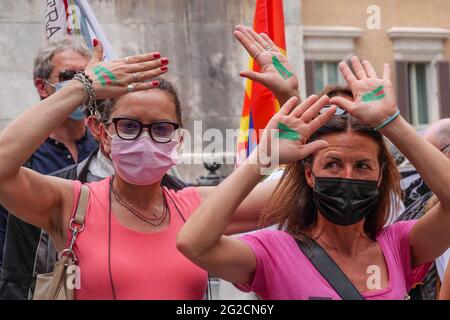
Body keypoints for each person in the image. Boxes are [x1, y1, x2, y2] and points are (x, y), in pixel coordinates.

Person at [0, 23, 300, 299]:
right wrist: (80, 89)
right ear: (104, 135)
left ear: (178, 140)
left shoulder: (196, 209)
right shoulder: (71, 202)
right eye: (129, 126)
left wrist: (289, 97)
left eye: (160, 128)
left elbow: (301, 193)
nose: (144, 139)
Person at [177, 55, 450, 300]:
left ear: (380, 177)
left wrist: (391, 121)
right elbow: (194, 244)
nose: (347, 175)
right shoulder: (272, 252)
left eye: (363, 166)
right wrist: (262, 158)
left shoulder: (399, 245)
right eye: (332, 164)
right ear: (309, 174)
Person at [0, 35, 98, 299]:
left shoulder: (105, 147)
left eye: (87, 75)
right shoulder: (18, 155)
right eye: (70, 76)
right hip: (34, 283)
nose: (82, 84)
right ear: (43, 87)